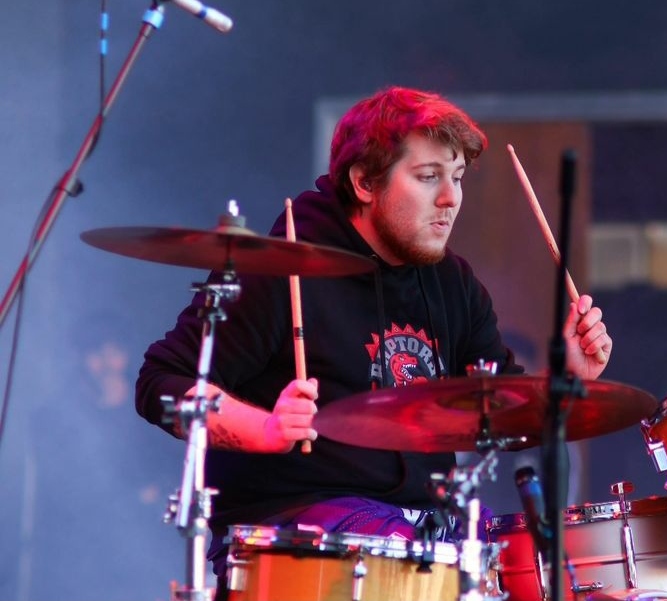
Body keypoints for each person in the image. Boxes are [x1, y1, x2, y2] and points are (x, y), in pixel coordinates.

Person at [134, 86, 614, 590]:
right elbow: (160, 382)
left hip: (427, 524)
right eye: (428, 177)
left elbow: (502, 413)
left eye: (456, 177)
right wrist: (264, 428)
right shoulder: (280, 269)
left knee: (541, 562)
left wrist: (567, 379)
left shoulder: (452, 283)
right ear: (364, 181)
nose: (450, 198)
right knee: (417, 559)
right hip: (301, 533)